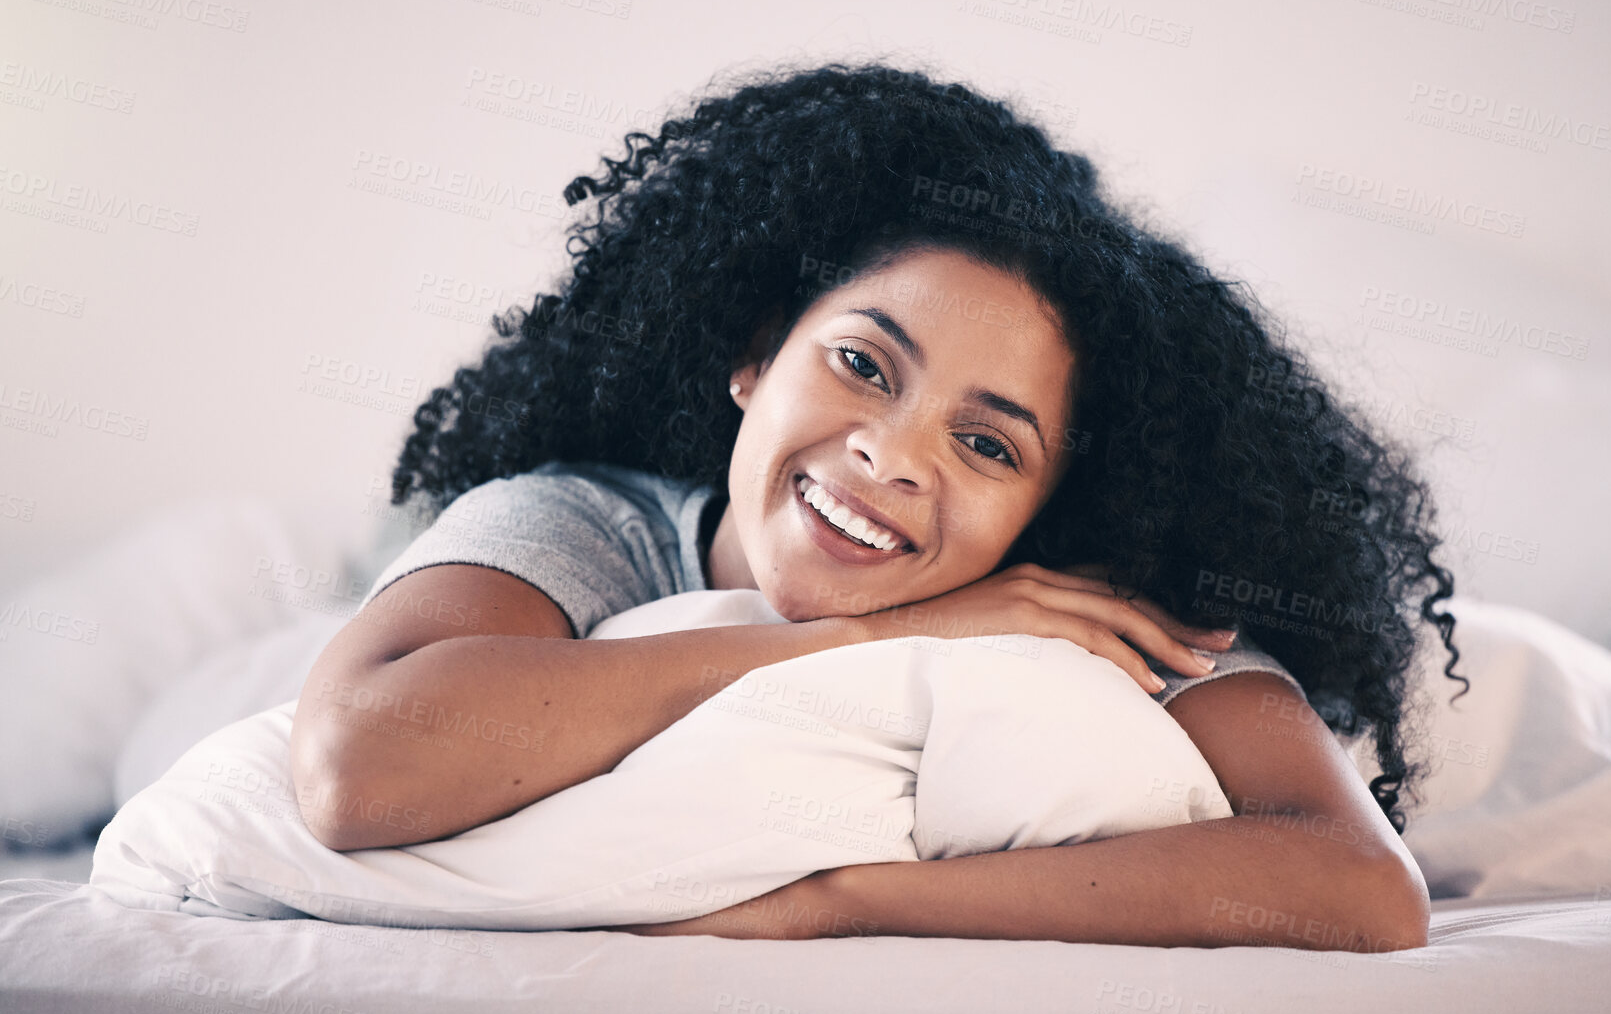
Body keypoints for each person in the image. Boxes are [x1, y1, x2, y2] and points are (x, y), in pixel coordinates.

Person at [289, 60, 1465, 952]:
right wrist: (875, 637)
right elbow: (355, 772)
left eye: (985, 442)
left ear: (1049, 508)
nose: (890, 457)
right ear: (757, 356)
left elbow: (1360, 887)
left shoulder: (1084, 606)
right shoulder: (581, 527)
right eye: (863, 365)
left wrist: (846, 903)